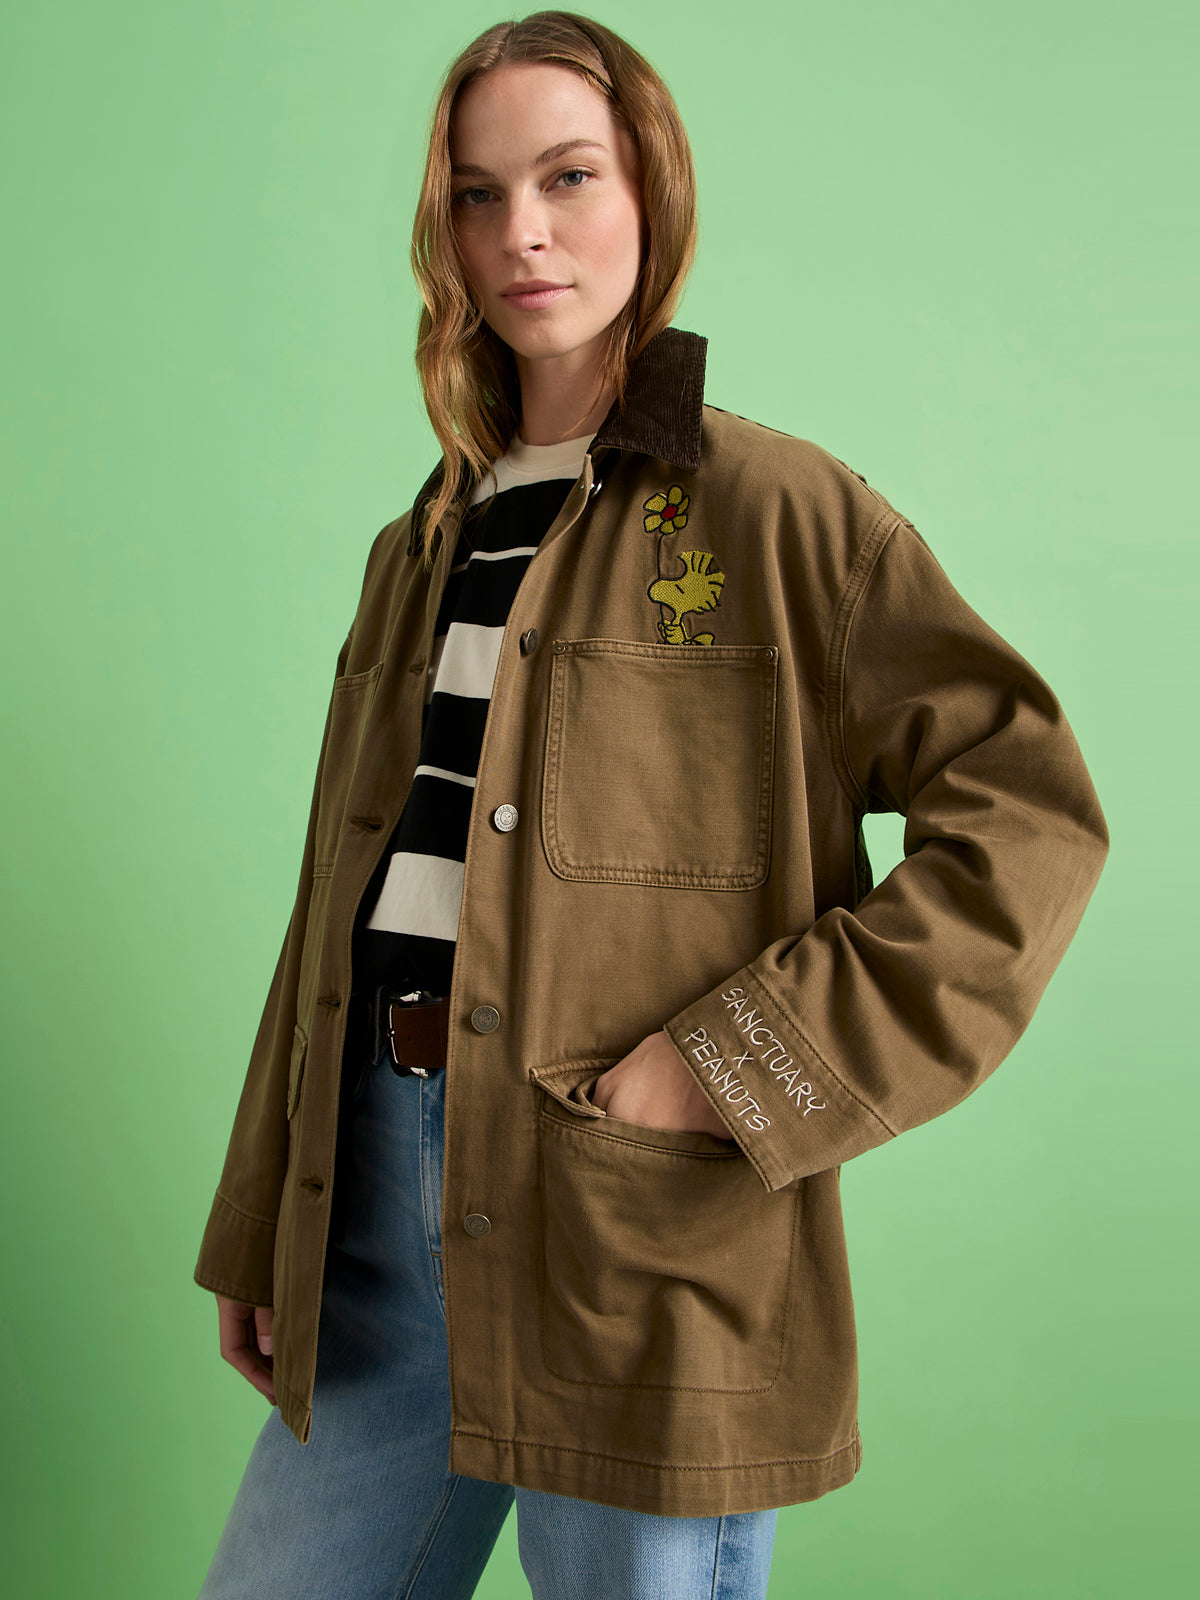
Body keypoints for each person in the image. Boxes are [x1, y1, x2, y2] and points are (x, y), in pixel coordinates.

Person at [192, 12, 1110, 1599]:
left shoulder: (777, 514)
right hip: (373, 1218)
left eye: (569, 177)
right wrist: (263, 1210)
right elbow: (345, 897)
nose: (522, 233)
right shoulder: (419, 543)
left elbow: (1029, 822)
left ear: (653, 195)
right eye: (477, 194)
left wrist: (740, 1063)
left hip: (635, 1238)